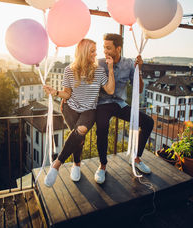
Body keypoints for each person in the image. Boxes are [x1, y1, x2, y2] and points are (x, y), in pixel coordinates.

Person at [43, 38, 115, 187]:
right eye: (92, 51)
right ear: (83, 52)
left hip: (89, 110)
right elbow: (67, 94)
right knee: (78, 138)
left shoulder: (99, 70)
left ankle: (56, 164)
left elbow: (110, 90)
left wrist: (111, 69)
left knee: (80, 131)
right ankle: (76, 164)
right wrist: (55, 92)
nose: (96, 54)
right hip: (70, 108)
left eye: (95, 51)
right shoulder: (69, 70)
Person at [94, 33, 154, 184]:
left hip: (120, 103)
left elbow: (139, 89)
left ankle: (136, 158)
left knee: (148, 122)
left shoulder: (128, 64)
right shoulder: (98, 63)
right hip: (103, 104)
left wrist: (139, 70)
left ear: (118, 48)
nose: (105, 51)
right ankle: (102, 166)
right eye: (104, 47)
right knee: (102, 126)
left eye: (108, 48)